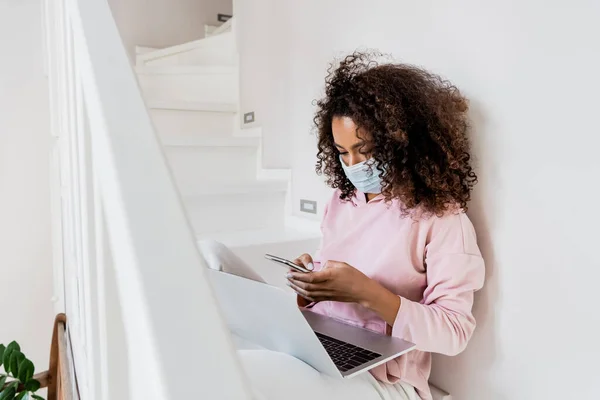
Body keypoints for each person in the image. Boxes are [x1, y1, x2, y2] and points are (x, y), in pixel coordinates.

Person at [199, 51, 485, 400]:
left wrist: (368, 293)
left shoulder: (441, 219)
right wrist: (309, 287)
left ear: (403, 143)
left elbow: (454, 332)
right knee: (211, 255)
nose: (353, 164)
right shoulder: (343, 200)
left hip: (383, 380)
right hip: (318, 343)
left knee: (239, 371)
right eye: (342, 152)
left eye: (365, 150)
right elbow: (330, 283)